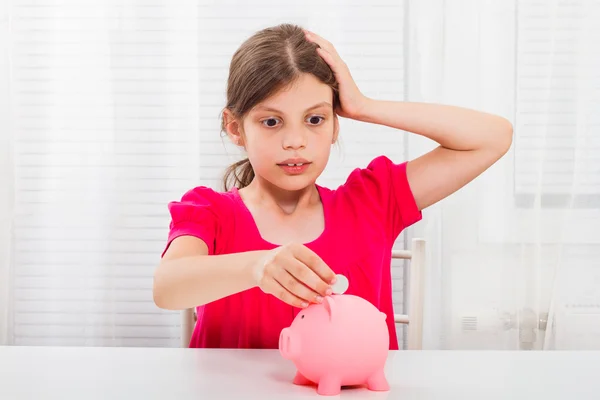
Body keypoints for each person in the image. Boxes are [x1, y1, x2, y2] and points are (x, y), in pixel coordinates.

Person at [152, 23, 513, 349]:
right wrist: (257, 266)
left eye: (315, 119)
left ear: (335, 123)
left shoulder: (372, 200)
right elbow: (167, 287)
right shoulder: (209, 211)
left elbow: (493, 137)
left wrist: (364, 106)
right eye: (272, 121)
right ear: (235, 127)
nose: (295, 140)